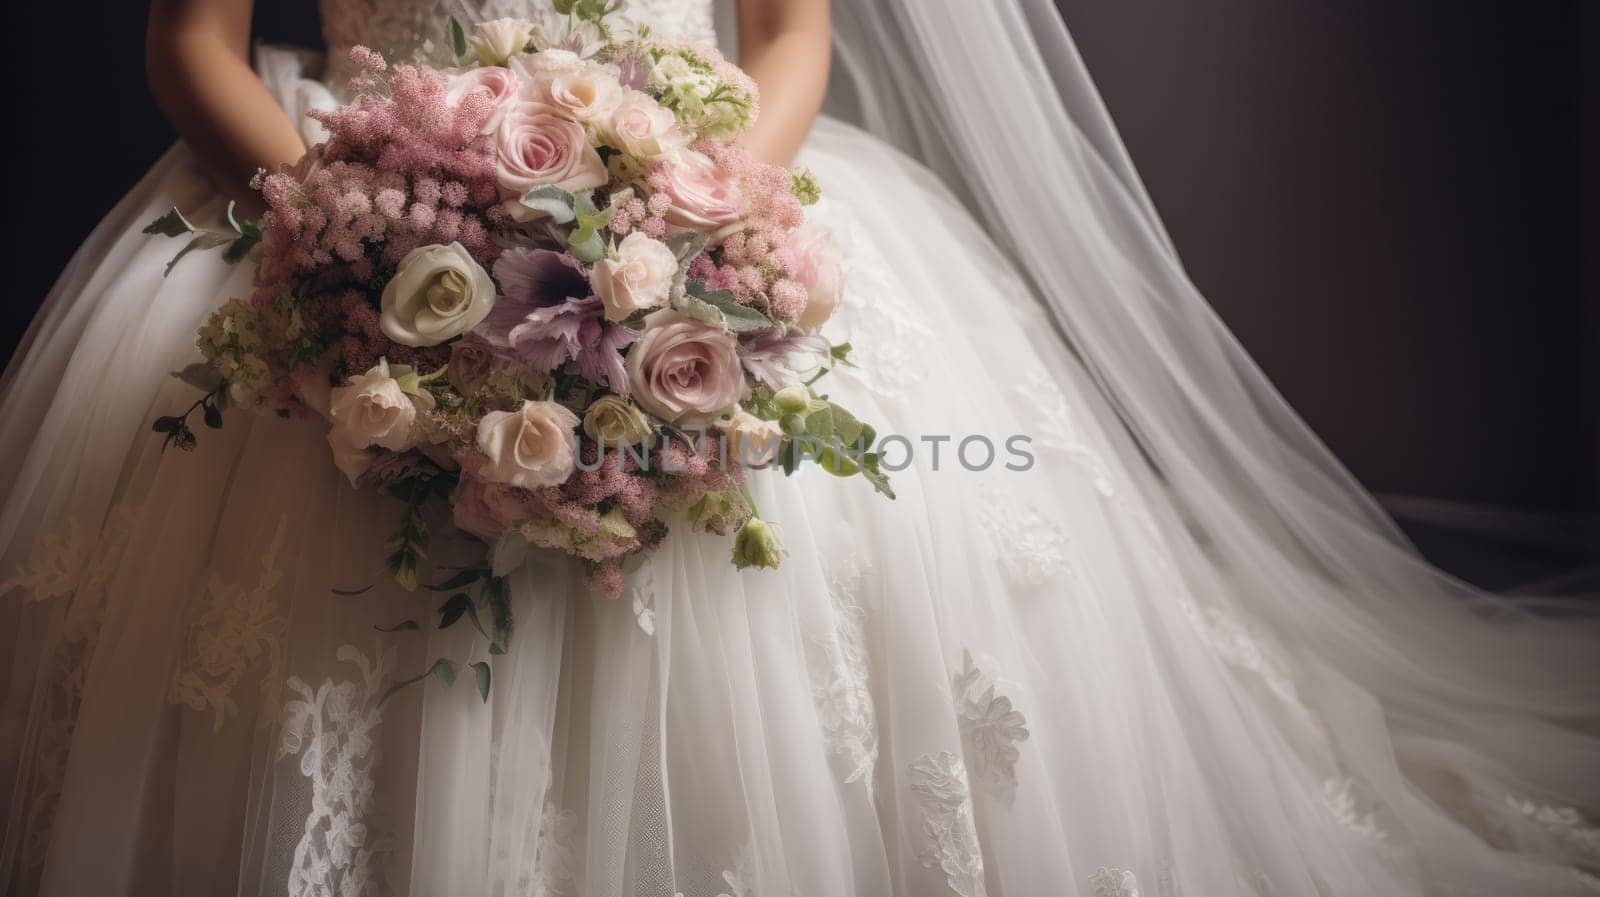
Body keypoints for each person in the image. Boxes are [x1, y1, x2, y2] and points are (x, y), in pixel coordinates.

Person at [2, 1, 1595, 895]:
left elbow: (788, 40)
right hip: (350, 187)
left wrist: (685, 228)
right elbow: (192, 46)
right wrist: (360, 237)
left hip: (691, 194)